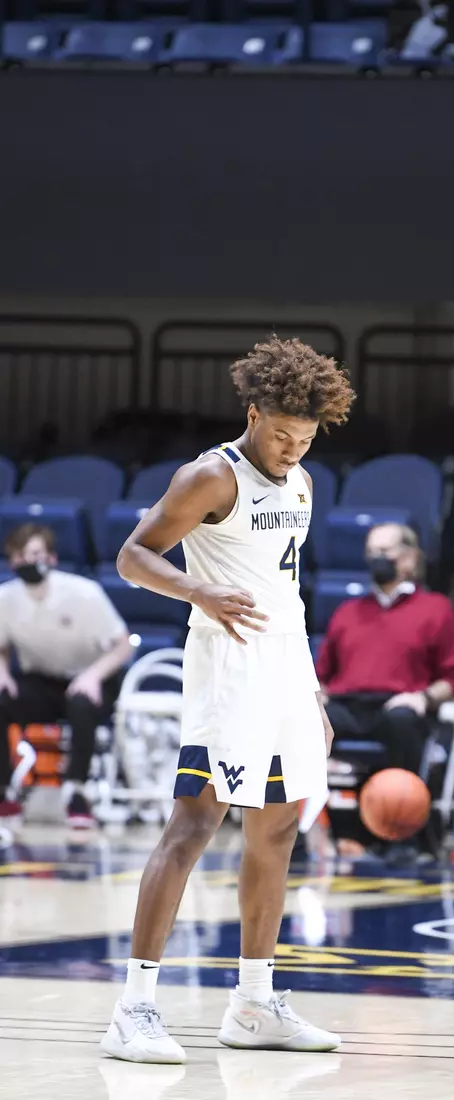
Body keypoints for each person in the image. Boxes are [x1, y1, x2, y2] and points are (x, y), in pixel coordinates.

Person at [101, 337, 355, 1064]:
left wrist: (311, 690)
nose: (290, 449)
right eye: (280, 434)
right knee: (194, 825)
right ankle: (135, 1008)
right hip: (226, 670)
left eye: (304, 439)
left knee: (275, 833)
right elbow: (132, 556)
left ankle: (253, 1002)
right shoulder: (212, 475)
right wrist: (195, 590)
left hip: (283, 669)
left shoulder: (302, 482)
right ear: (253, 412)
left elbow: (288, 596)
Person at [316, 521, 454, 856]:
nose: (376, 558)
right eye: (371, 552)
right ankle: (300, 832)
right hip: (349, 703)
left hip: (402, 704)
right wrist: (317, 696)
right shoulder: (348, 612)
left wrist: (423, 697)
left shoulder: (436, 608)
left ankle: (404, 835)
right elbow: (322, 675)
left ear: (410, 558)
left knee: (400, 721)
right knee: (304, 721)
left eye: (384, 551)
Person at [0, 524, 134, 829]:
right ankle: (5, 791)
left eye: (35, 554)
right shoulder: (5, 598)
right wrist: (3, 673)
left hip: (92, 677)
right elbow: (2, 647)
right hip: (44, 681)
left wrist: (92, 676)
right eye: (20, 556)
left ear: (52, 558)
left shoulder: (84, 593)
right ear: (12, 561)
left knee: (81, 702)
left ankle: (77, 791)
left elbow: (124, 643)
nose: (28, 561)